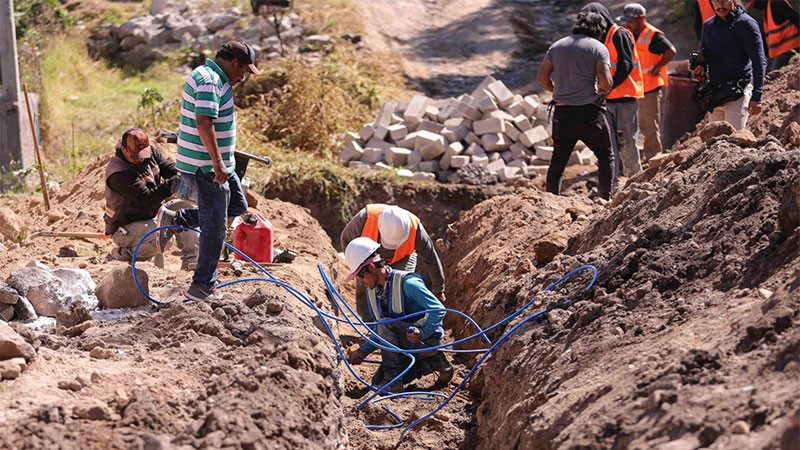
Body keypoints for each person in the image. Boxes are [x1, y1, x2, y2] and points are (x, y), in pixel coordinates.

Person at [157, 41, 259, 301]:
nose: (243, 77)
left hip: (219, 164)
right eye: (244, 71)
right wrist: (217, 163)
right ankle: (201, 286)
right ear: (234, 63)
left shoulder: (214, 78)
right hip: (207, 167)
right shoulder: (210, 81)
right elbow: (203, 122)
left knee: (236, 206)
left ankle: (177, 220)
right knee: (215, 228)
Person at [344, 237, 454, 394]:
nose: (360, 282)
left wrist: (422, 333)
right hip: (405, 345)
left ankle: (393, 382)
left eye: (360, 277)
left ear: (372, 267)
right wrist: (363, 351)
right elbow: (381, 331)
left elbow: (438, 309)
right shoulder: (374, 292)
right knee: (376, 381)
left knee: (386, 378)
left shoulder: (407, 283)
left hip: (425, 340)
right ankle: (432, 363)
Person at [537, 11, 617, 200]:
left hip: (562, 112)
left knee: (558, 161)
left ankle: (551, 201)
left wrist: (557, 89)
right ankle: (604, 199)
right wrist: (601, 90)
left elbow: (542, 77)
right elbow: (605, 82)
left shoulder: (557, 46)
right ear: (599, 30)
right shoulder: (598, 48)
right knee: (606, 156)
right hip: (589, 112)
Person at [104, 128, 198, 268]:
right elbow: (146, 200)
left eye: (144, 154)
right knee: (163, 238)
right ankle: (122, 254)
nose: (141, 158)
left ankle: (191, 260)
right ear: (124, 149)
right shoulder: (118, 173)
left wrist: (184, 176)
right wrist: (170, 185)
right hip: (126, 226)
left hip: (154, 213)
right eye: (136, 155)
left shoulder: (149, 153)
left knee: (187, 207)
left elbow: (169, 169)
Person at [340, 204, 446, 326]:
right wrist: (357, 265)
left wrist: (439, 289)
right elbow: (346, 239)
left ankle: (400, 327)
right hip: (369, 258)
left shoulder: (416, 230)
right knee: (364, 288)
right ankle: (372, 326)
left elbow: (430, 258)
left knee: (399, 289)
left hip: (403, 257)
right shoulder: (365, 219)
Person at [581, 2, 645, 177]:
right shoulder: (598, 39)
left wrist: (607, 87)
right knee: (609, 144)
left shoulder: (619, 34)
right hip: (607, 99)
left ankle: (636, 180)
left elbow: (626, 66)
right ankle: (612, 185)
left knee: (627, 143)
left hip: (624, 98)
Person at [691, 0, 767, 130]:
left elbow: (759, 60)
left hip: (738, 93)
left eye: (724, 1)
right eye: (716, 1)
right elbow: (704, 58)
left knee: (734, 142)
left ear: (733, 1)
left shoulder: (746, 23)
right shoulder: (708, 26)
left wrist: (757, 97)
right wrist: (699, 70)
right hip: (715, 95)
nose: (720, 5)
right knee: (715, 145)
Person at [618, 3, 677, 161]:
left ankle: (653, 158)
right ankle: (632, 159)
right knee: (629, 126)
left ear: (641, 19)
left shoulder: (653, 35)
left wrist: (657, 67)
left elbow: (670, 51)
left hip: (649, 88)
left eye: (630, 20)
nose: (627, 23)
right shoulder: (628, 33)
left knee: (649, 127)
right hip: (632, 87)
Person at [749, 0, 799, 71]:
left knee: (776, 76)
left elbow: (796, 18)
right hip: (782, 51)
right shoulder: (767, 9)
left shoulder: (776, 3)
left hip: (791, 48)